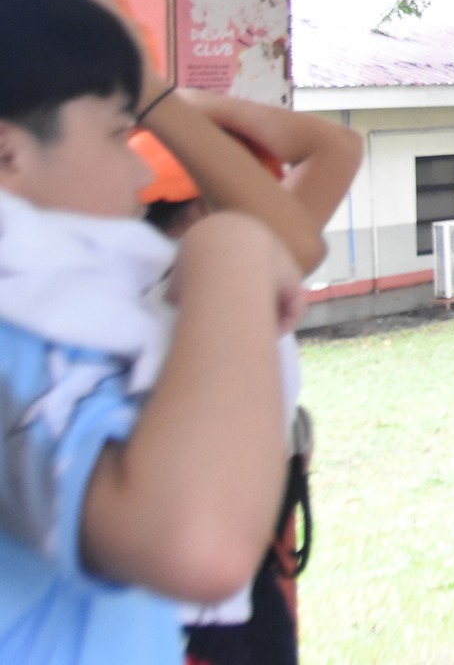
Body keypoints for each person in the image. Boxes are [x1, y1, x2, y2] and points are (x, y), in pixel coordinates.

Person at [0, 0, 303, 663]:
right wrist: (228, 244)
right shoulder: (22, 338)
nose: (139, 176)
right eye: (115, 135)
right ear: (9, 153)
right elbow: (200, 543)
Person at [140, 91, 364, 665]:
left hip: (235, 591)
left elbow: (336, 147)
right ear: (201, 210)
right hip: (183, 614)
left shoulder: (232, 270)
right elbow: (333, 148)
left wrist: (176, 111)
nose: (277, 214)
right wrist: (174, 102)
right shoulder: (205, 283)